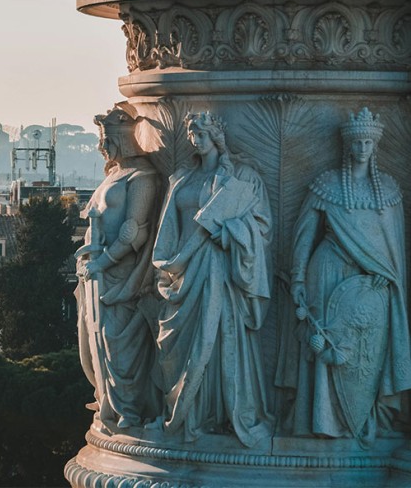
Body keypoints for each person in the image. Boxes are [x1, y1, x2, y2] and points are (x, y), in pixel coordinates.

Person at [152, 111, 273, 447]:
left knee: (220, 342)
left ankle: (216, 415)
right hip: (183, 274)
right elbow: (167, 232)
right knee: (180, 348)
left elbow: (261, 228)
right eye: (191, 134)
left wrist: (227, 232)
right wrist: (168, 267)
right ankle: (186, 415)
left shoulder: (242, 178)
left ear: (217, 137)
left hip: (220, 272)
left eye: (201, 134)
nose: (195, 140)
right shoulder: (181, 179)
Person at [291, 107, 411, 442]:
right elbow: (304, 238)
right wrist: (298, 280)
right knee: (326, 345)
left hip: (372, 287)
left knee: (365, 353)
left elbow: (392, 249)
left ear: (375, 147)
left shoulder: (388, 190)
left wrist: (387, 276)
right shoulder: (327, 185)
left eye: (366, 143)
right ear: (347, 145)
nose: (360, 148)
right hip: (327, 272)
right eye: (355, 142)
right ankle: (324, 421)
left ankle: (364, 419)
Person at [76, 104, 161, 429]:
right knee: (94, 343)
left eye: (107, 139)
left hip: (119, 278)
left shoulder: (143, 178)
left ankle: (130, 411)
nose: (102, 146)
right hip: (95, 275)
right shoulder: (116, 175)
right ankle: (109, 405)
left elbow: (133, 232)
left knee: (117, 345)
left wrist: (103, 261)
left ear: (122, 139)